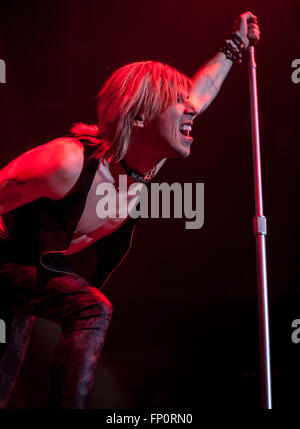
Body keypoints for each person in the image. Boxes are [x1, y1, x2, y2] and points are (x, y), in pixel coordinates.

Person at [0, 11, 260, 408]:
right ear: (139, 117)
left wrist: (235, 45)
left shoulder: (147, 160)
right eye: (176, 102)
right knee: (91, 309)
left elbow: (202, 93)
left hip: (31, 271)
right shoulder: (66, 163)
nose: (191, 109)